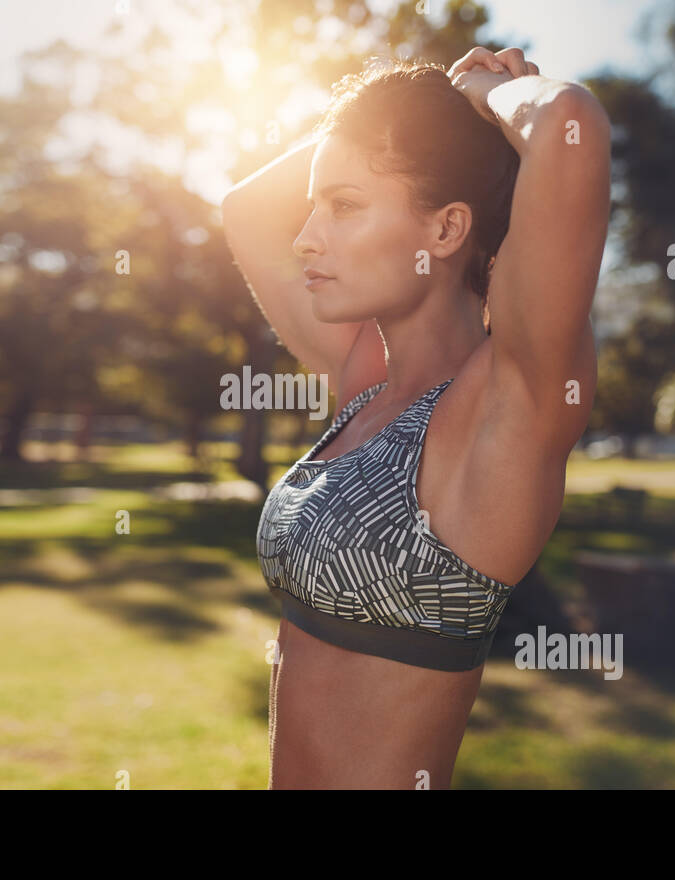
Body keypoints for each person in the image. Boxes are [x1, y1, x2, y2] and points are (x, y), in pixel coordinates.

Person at [221, 46, 608, 789]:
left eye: (344, 206)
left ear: (445, 230)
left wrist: (482, 92)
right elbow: (244, 208)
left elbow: (568, 125)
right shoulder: (367, 380)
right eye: (317, 205)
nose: (305, 235)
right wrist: (417, 110)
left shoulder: (506, 408)